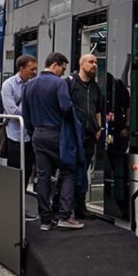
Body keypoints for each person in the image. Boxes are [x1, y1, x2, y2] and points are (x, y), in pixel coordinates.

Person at [22, 52, 84, 231]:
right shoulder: (59, 83)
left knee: (42, 177)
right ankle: (64, 215)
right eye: (63, 68)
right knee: (68, 171)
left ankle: (45, 220)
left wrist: (34, 131)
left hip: (38, 135)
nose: (63, 72)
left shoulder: (30, 85)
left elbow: (25, 114)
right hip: (57, 134)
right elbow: (65, 107)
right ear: (56, 64)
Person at [68, 54, 104, 218]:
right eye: (91, 62)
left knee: (84, 171)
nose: (94, 65)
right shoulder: (70, 83)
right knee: (71, 171)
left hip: (90, 135)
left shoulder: (95, 87)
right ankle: (65, 207)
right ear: (81, 64)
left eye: (96, 62)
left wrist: (99, 128)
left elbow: (97, 109)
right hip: (74, 135)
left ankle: (80, 206)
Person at [2, 55, 38, 189]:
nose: (34, 72)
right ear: (22, 68)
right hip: (15, 136)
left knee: (28, 169)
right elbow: (12, 112)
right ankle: (13, 203)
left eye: (35, 69)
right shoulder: (8, 85)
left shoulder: (34, 84)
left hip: (30, 136)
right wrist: (30, 115)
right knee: (15, 170)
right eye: (31, 69)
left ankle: (22, 200)